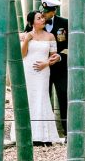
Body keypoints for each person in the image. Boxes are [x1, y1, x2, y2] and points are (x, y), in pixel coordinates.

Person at [12, 10, 62, 145]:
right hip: (28, 70)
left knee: (42, 97)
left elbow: (54, 55)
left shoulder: (51, 36)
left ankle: (44, 136)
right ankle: (28, 134)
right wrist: (27, 40)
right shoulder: (26, 35)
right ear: (31, 22)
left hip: (43, 71)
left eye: (42, 17)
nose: (42, 20)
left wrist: (46, 63)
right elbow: (22, 55)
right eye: (38, 18)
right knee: (29, 97)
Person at [39, 0, 68, 135]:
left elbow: (71, 45)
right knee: (44, 98)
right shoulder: (36, 22)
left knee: (64, 97)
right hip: (42, 69)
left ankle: (69, 132)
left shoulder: (65, 23)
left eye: (47, 12)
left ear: (54, 11)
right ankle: (46, 134)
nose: (43, 14)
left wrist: (60, 56)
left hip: (60, 69)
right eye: (42, 11)